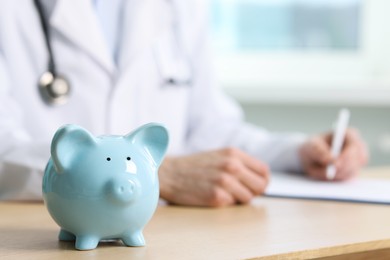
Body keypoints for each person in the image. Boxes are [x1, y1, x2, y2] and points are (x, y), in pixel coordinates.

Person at [0, 0, 368, 206]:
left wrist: (297, 152)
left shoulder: (180, 6)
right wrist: (152, 173)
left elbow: (208, 125)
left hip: (167, 237)